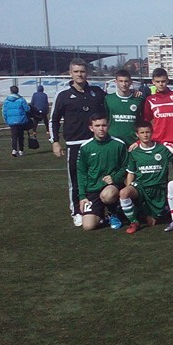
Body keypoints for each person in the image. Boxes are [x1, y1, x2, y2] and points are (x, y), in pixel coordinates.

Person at [51, 58, 108, 227]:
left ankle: (100, 210)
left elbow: (112, 106)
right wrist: (55, 141)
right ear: (70, 73)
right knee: (76, 180)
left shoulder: (97, 92)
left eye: (82, 71)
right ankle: (76, 211)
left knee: (99, 178)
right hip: (75, 145)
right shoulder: (63, 96)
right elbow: (54, 120)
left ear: (87, 73)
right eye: (76, 71)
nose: (79, 74)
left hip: (96, 143)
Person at [119, 120, 173, 233]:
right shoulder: (134, 152)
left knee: (152, 222)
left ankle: (149, 212)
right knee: (124, 193)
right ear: (137, 134)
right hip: (141, 187)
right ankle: (133, 222)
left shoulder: (162, 149)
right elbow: (131, 172)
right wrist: (129, 187)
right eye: (142, 132)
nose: (145, 135)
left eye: (148, 132)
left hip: (159, 188)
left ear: (152, 132)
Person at [76, 115, 128, 231]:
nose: (101, 128)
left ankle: (112, 213)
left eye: (104, 125)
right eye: (97, 126)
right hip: (93, 188)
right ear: (91, 128)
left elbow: (126, 166)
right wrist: (82, 196)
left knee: (108, 195)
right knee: (88, 226)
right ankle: (102, 216)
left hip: (111, 187)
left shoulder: (119, 144)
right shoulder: (85, 147)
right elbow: (81, 172)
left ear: (108, 126)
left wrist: (115, 178)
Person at [143, 68, 173, 144]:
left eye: (163, 81)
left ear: (167, 81)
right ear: (153, 82)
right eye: (157, 81)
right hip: (158, 141)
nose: (161, 84)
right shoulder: (150, 99)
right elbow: (146, 121)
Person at [105, 70, 144, 143]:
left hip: (133, 141)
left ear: (131, 82)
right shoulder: (108, 99)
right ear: (116, 82)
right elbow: (105, 119)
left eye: (126, 81)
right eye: (121, 81)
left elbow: (144, 119)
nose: (124, 84)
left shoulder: (138, 99)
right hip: (113, 140)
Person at [2, 86, 31, 157]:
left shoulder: (6, 101)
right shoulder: (21, 99)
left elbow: (4, 111)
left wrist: (6, 120)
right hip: (21, 119)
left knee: (14, 135)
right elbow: (27, 109)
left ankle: (14, 149)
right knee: (21, 135)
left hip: (11, 120)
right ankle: (21, 150)